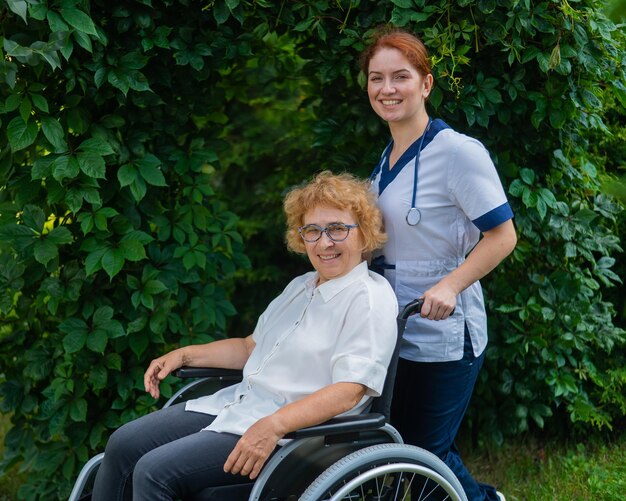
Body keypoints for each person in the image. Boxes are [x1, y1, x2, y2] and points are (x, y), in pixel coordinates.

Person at [90, 171, 398, 501]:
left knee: (154, 471)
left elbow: (349, 391)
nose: (324, 243)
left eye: (337, 229)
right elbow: (250, 347)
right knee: (123, 444)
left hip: (299, 438)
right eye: (313, 231)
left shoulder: (367, 298)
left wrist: (275, 424)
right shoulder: (301, 286)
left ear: (364, 233)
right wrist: (185, 354)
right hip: (241, 406)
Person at [359, 27, 517, 501]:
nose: (387, 89)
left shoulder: (458, 154)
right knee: (404, 448)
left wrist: (450, 286)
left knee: (428, 453)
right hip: (394, 327)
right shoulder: (386, 159)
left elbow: (503, 235)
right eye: (376, 78)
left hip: (446, 332)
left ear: (426, 84)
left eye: (401, 76)